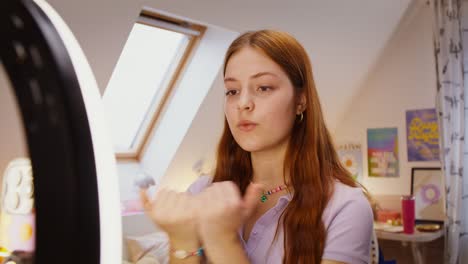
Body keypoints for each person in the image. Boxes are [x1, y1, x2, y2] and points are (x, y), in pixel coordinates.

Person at [140, 29, 374, 264]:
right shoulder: (202, 192)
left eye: (263, 88)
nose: (242, 104)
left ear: (301, 101)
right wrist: (182, 240)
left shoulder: (346, 207)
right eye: (232, 91)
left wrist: (222, 239)